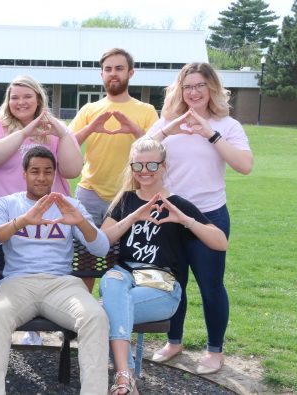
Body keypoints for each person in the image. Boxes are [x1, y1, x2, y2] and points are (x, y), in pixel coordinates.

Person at [147, 62, 253, 375]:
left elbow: (245, 165)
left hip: (210, 216)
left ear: (212, 89)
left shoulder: (227, 125)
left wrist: (211, 134)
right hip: (170, 215)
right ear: (180, 90)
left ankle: (214, 349)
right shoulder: (168, 121)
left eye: (200, 86)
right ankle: (174, 340)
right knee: (173, 284)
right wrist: (168, 128)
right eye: (188, 86)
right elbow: (138, 153)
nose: (194, 92)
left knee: (211, 285)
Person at [99, 138, 228, 394]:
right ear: (131, 167)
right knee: (111, 279)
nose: (144, 171)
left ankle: (123, 377)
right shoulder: (125, 201)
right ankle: (126, 379)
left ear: (164, 166)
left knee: (100, 314)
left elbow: (221, 242)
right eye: (138, 165)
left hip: (161, 286)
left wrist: (185, 221)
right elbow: (103, 242)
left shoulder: (178, 204)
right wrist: (134, 216)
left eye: (152, 165)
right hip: (124, 276)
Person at [0, 146, 110, 395]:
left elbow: (101, 248)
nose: (41, 177)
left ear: (55, 174)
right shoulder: (8, 204)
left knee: (95, 317)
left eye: (48, 172)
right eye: (35, 171)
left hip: (61, 284)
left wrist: (80, 222)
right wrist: (22, 221)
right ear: (24, 173)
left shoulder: (70, 205)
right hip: (18, 283)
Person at [69, 48, 159, 225]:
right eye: (108, 69)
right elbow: (68, 145)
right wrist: (90, 128)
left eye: (119, 68)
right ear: (101, 74)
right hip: (90, 194)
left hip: (131, 193)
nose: (113, 74)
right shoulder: (88, 110)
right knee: (86, 251)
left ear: (130, 73)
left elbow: (158, 153)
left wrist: (135, 131)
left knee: (122, 252)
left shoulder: (147, 110)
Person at [0, 75, 82, 222]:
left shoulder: (55, 127)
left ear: (38, 99)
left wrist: (64, 135)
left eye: (27, 96)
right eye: (14, 98)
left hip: (48, 215)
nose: (21, 102)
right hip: (2, 215)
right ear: (8, 101)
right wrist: (24, 133)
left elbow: (72, 171)